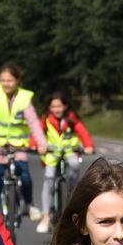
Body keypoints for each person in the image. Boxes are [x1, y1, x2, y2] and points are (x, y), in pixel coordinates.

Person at [0, 62, 47, 218]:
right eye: (3, 80)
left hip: (18, 147)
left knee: (25, 176)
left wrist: (42, 144)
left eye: (10, 80)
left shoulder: (24, 98)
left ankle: (28, 204)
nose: (6, 84)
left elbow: (33, 123)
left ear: (17, 81)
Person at [34, 92, 94, 233]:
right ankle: (46, 216)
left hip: (69, 151)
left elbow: (83, 132)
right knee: (48, 180)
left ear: (65, 106)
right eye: (53, 106)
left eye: (59, 106)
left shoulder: (72, 118)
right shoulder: (45, 119)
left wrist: (88, 145)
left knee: (74, 164)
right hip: (51, 153)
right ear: (49, 107)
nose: (57, 109)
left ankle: (73, 188)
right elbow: (36, 133)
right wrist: (36, 145)